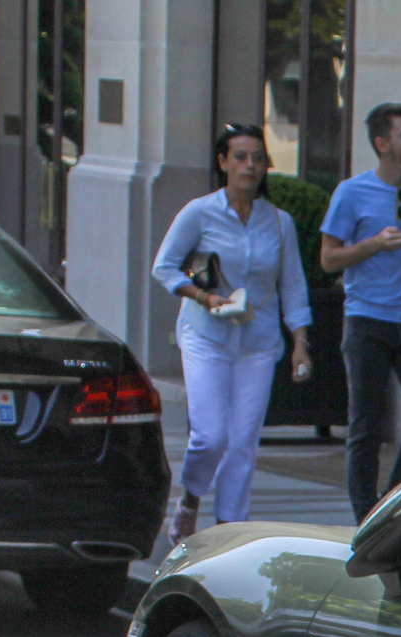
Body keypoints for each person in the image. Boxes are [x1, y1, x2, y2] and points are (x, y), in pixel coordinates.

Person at [150, 123, 312, 540]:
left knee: (243, 442)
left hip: (258, 344)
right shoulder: (200, 212)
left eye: (258, 158)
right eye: (240, 157)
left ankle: (228, 531)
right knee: (210, 436)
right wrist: (205, 298)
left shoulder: (279, 223)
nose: (250, 165)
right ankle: (191, 496)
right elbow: (164, 266)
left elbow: (292, 285)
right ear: (223, 162)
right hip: (206, 335)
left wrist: (300, 343)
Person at [321, 102, 401, 520]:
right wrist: (373, 245)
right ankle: (366, 517)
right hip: (367, 323)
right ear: (382, 144)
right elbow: (328, 259)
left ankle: (392, 503)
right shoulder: (351, 193)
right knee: (366, 429)